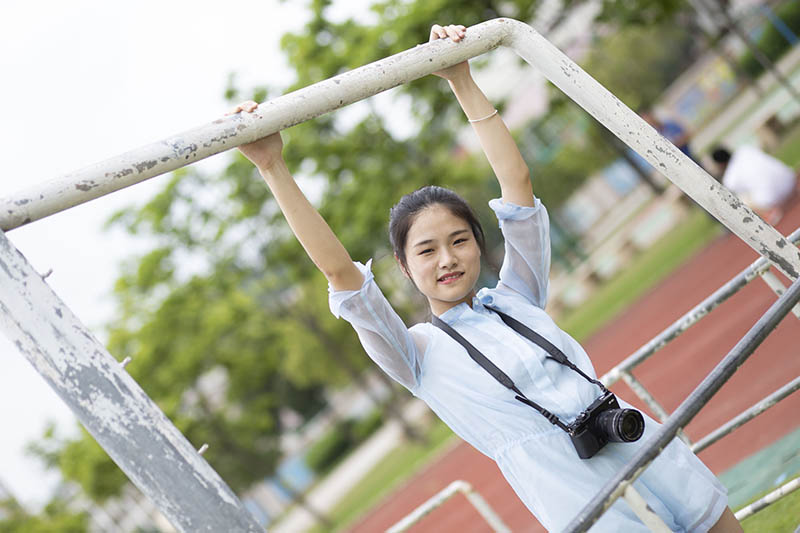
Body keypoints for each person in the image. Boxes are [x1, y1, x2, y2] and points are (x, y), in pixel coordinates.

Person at [233, 23, 742, 533]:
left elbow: (517, 184)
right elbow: (341, 273)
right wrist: (272, 165)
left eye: (458, 240)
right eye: (426, 251)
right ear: (406, 268)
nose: (447, 259)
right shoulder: (417, 354)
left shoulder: (517, 296)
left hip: (630, 433)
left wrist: (460, 76)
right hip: (571, 490)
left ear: (478, 243)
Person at [712, 145, 798, 225]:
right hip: (790, 179)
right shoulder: (745, 149)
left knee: (741, 199)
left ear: (720, 164)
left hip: (773, 199)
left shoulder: (729, 179)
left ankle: (769, 215)